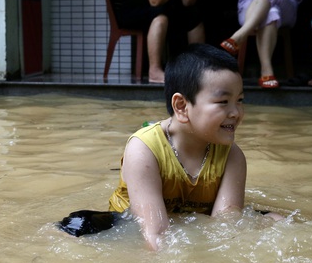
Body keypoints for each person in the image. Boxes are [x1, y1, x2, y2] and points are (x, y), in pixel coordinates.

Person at [108, 44, 281, 250]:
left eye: (240, 100)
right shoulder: (144, 150)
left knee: (277, 221)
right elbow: (155, 234)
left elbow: (226, 229)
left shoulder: (232, 156)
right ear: (181, 106)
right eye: (223, 101)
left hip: (190, 223)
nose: (236, 112)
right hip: (127, 224)